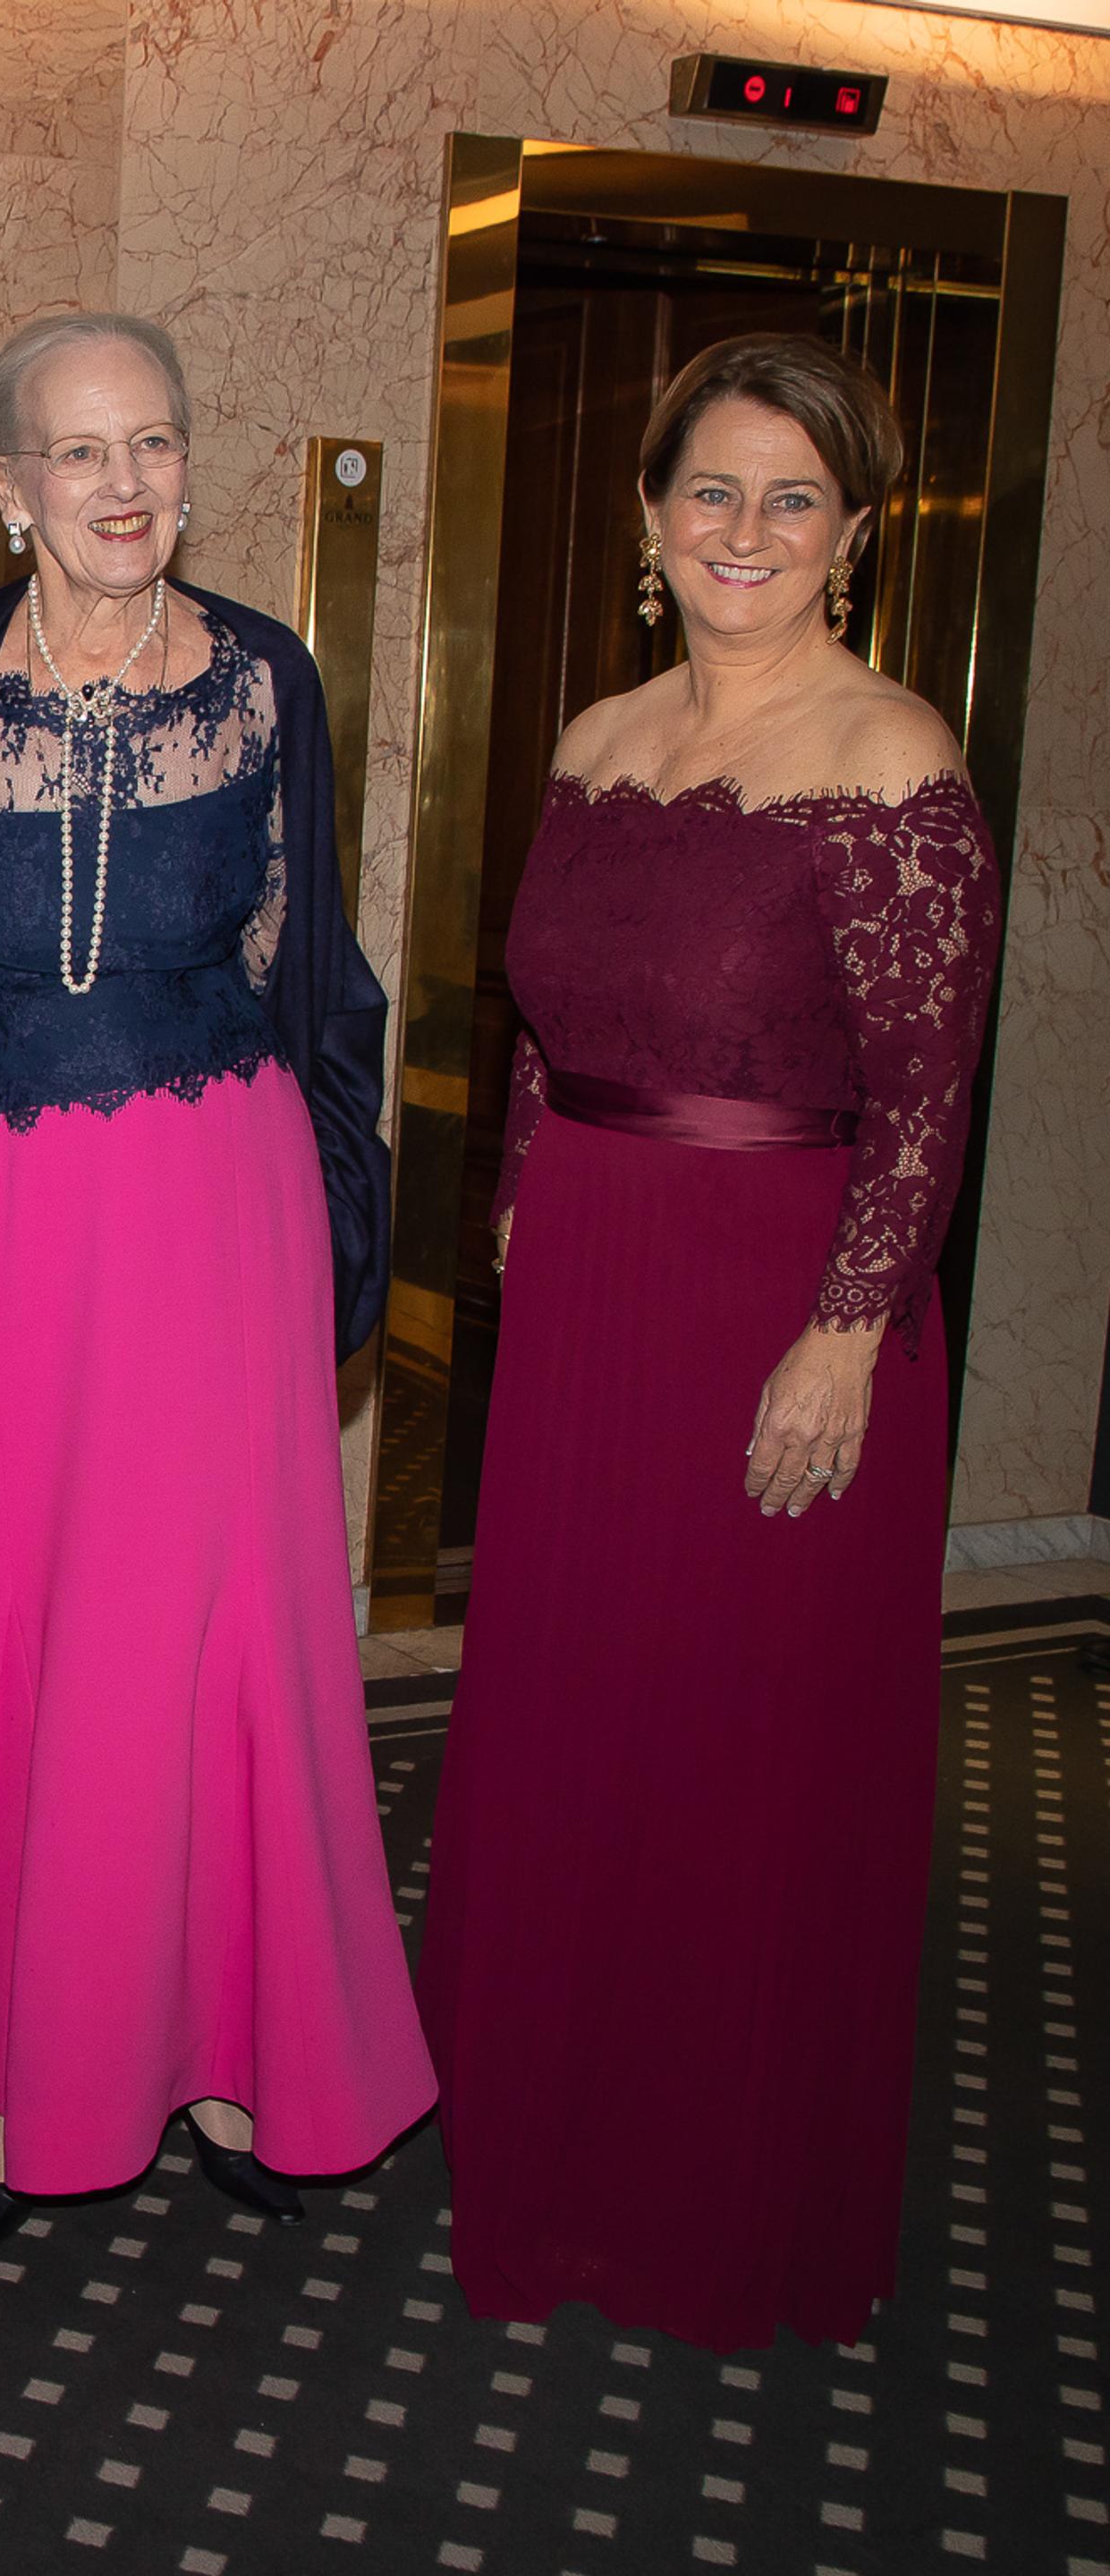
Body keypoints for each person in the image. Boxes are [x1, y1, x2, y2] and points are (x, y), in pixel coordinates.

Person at [0, 310, 433, 2245]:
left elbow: (312, 975)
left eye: (152, 442)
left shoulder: (268, 677)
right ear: (8, 487)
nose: (124, 484)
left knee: (207, 1644)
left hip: (211, 1223)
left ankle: (223, 2056)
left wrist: (338, 1220)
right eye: (79, 452)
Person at [414, 334, 1001, 2352]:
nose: (746, 531)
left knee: (736, 1755)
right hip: (594, 1294)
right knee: (581, 1719)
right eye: (712, 491)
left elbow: (927, 1097)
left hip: (780, 1303)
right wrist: (520, 1197)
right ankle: (550, 2147)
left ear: (855, 533)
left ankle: (708, 2204)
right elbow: (546, 1021)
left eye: (793, 499)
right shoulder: (601, 734)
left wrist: (846, 1334)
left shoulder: (893, 755)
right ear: (651, 517)